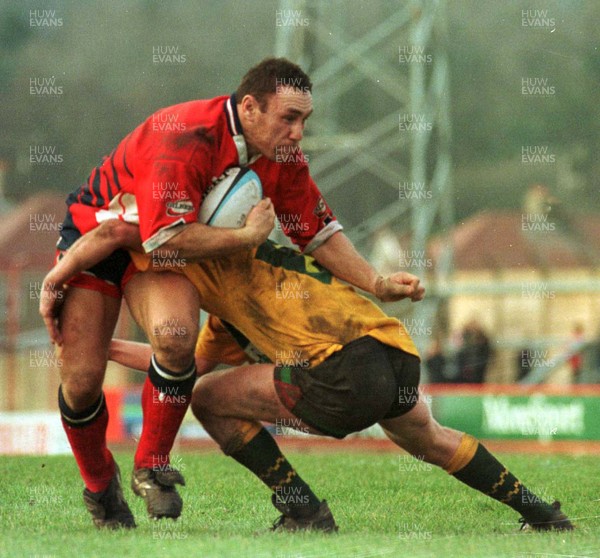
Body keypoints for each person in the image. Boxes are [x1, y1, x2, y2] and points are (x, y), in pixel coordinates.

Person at [44, 57, 420, 529]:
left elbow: (316, 230)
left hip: (162, 248)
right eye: (289, 118)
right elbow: (163, 236)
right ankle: (101, 491)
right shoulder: (183, 137)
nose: (298, 133)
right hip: (101, 237)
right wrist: (244, 238)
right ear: (249, 107)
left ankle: (151, 467)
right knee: (80, 383)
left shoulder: (280, 154)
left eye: (305, 120)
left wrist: (376, 282)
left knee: (177, 336)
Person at [41, 220, 573, 533]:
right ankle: (541, 515)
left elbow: (115, 233)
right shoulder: (244, 289)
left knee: (206, 401)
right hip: (393, 351)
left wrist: (63, 279)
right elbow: (189, 361)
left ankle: (302, 510)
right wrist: (101, 346)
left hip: (343, 372)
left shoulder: (195, 246)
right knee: (431, 439)